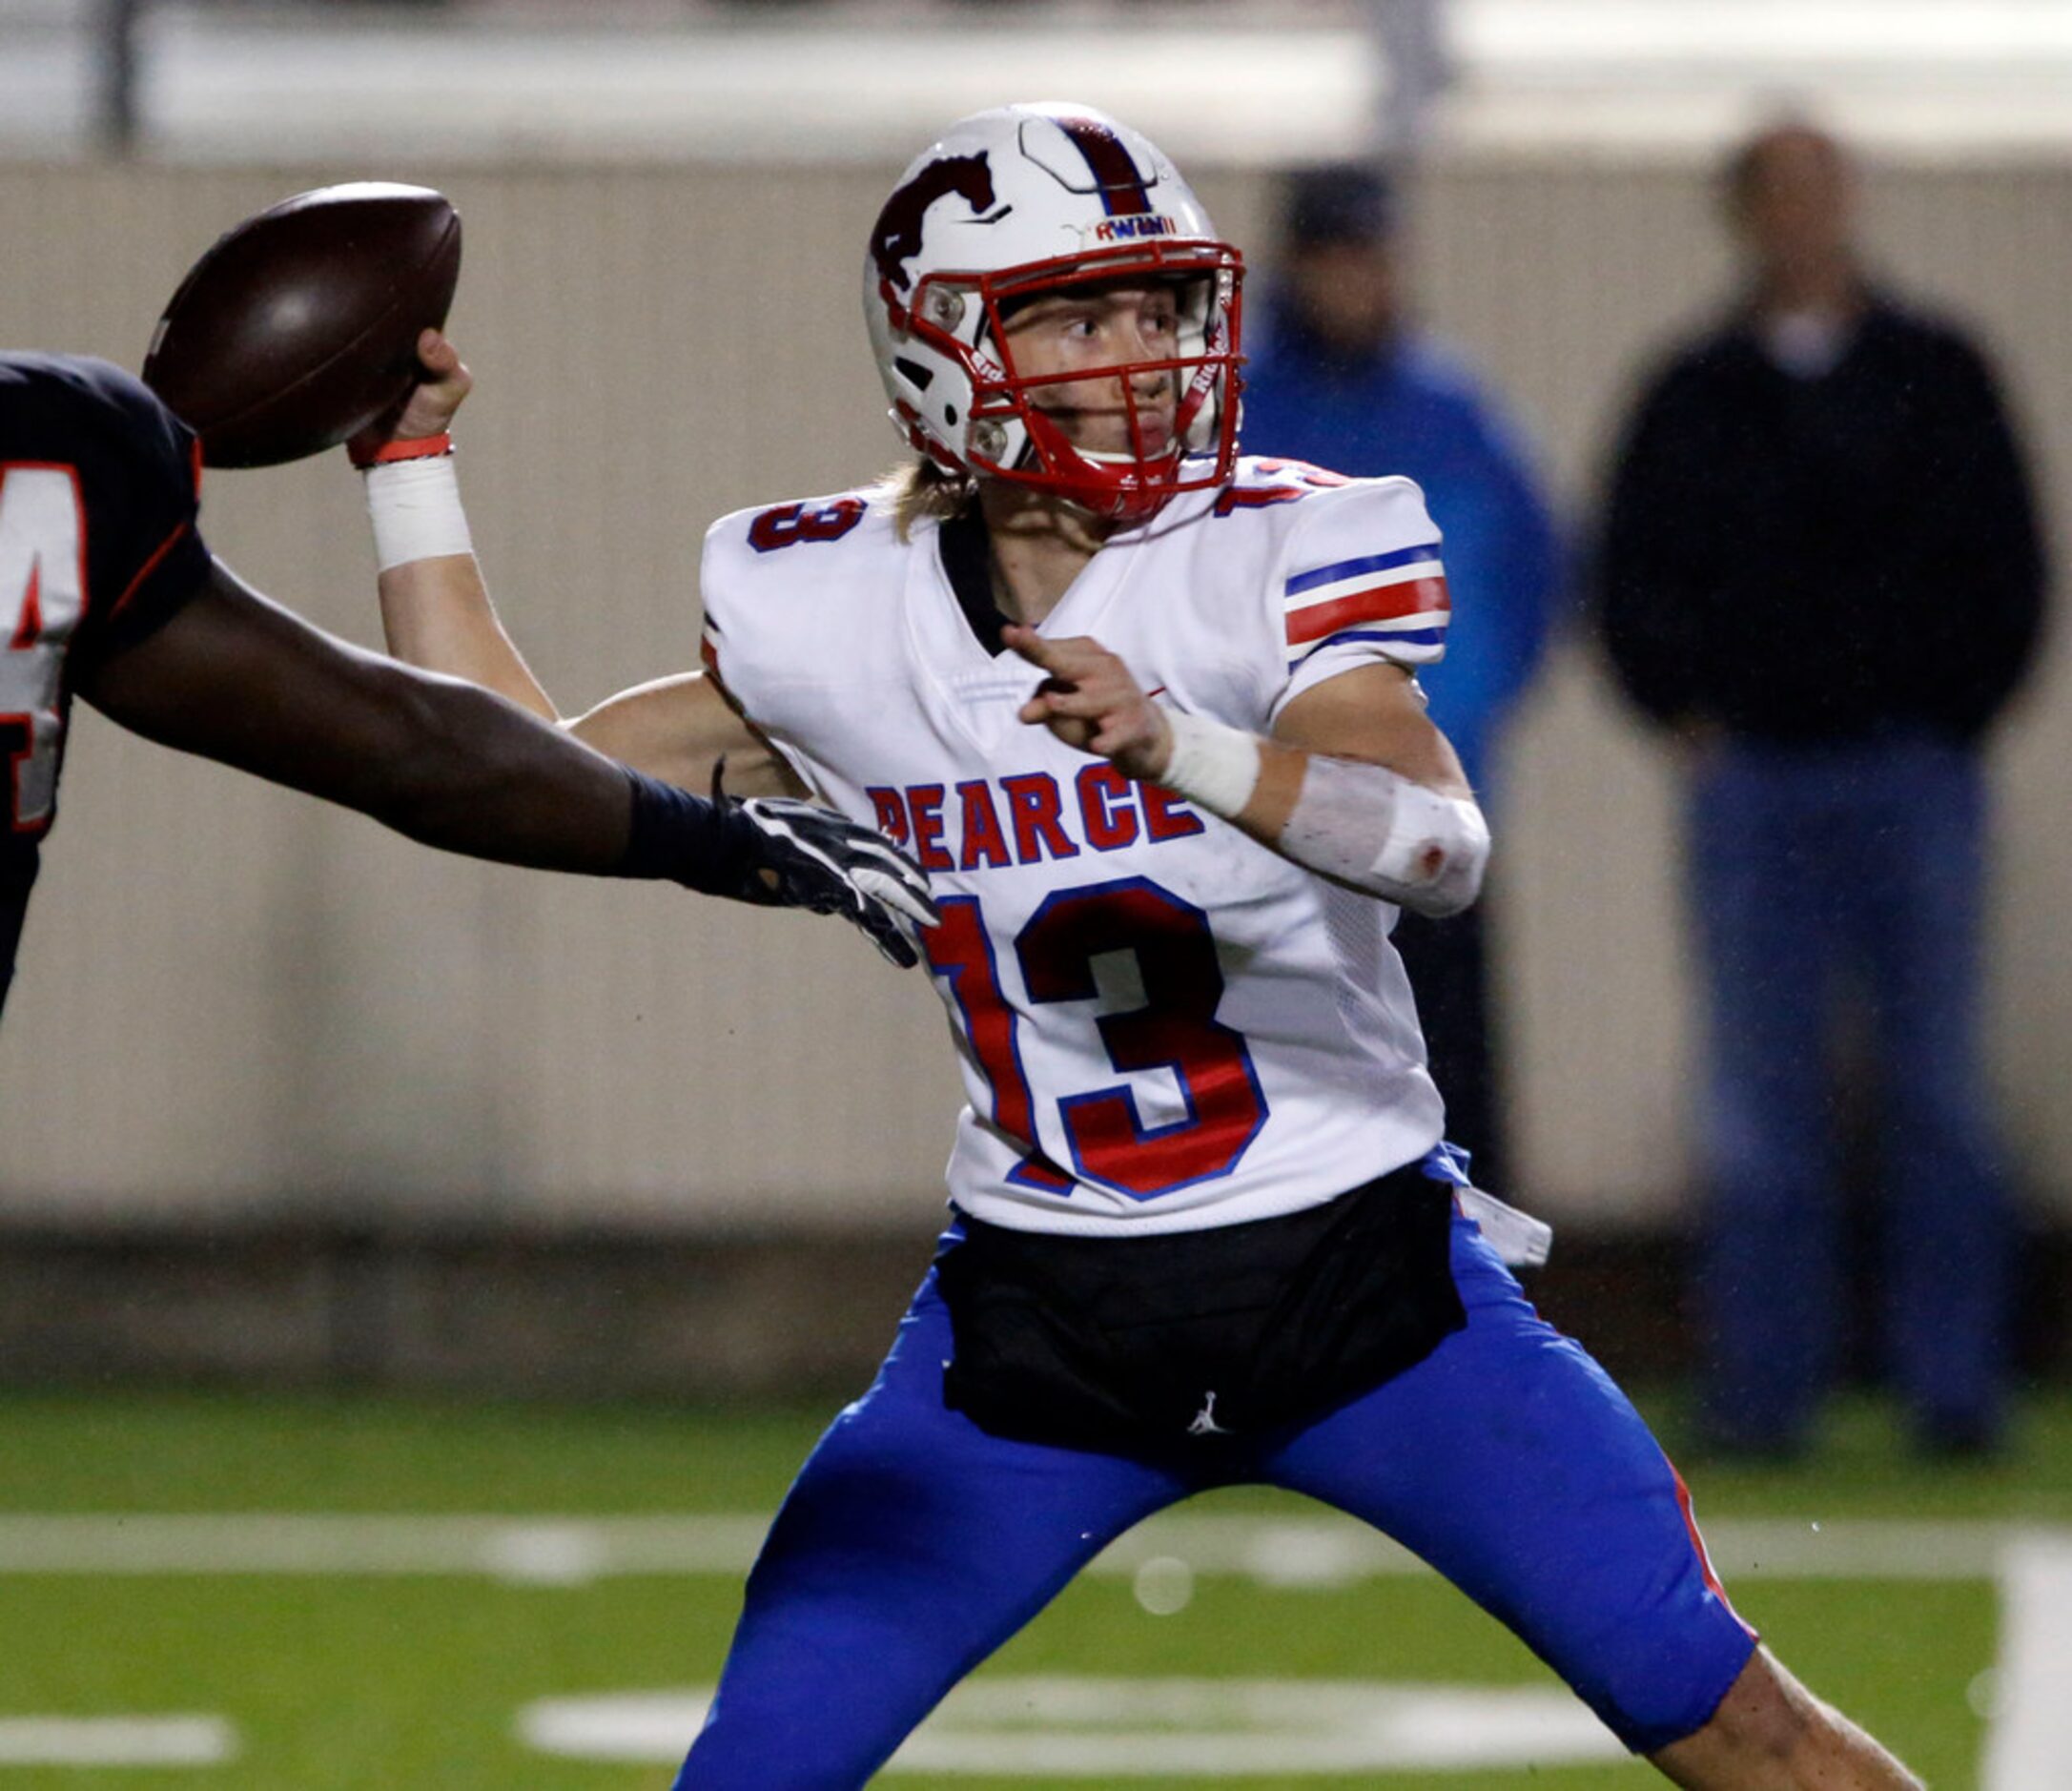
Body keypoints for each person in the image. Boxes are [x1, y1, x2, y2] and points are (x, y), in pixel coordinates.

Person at [361, 104, 1923, 1788]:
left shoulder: (1271, 547)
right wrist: (404, 468)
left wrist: (1177, 744)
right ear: (946, 350)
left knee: (1744, 1734)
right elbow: (505, 777)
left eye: (1159, 307)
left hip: (1365, 1291)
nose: (1142, 355)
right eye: (1078, 314)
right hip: (1037, 1327)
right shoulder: (836, 607)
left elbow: (1436, 843)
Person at [0, 351, 934, 1023]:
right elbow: (541, 768)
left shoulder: (49, 456)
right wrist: (409, 470)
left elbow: (487, 766)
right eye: (1071, 320)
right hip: (1016, 1235)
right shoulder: (898, 623)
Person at [1593, 120, 2047, 1460]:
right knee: (1758, 1101)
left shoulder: (1937, 372)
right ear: (1743, 215)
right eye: (1776, 195)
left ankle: (1955, 1391)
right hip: (1757, 787)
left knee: (1939, 1093)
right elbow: (1628, 573)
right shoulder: (1691, 389)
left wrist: (1950, 715)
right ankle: (1761, 1390)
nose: (1802, 217)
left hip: (1913, 775)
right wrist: (1684, 709)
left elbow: (2010, 564)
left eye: (1820, 190)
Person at [1243, 161, 1560, 1188]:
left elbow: (1528, 576)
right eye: (1334, 262)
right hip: (1277, 829)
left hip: (1424, 818)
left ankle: (1467, 1315)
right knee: (1294, 1095)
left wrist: (1454, 722)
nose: (1355, 285)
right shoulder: (1242, 421)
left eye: (1368, 260)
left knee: (1452, 1081)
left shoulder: (1448, 411)